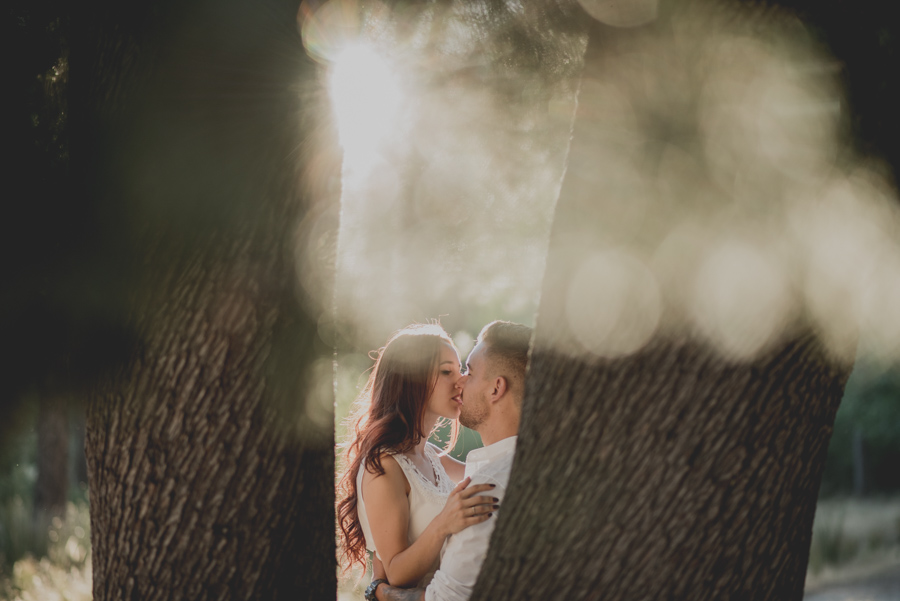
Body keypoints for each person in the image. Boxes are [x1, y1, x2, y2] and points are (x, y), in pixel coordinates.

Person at [370, 320, 532, 601]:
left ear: (496, 389)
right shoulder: (390, 463)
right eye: (449, 372)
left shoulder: (488, 487)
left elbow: (445, 599)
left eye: (467, 371)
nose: (460, 381)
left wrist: (380, 593)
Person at [337, 324, 499, 591]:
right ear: (411, 379)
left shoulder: (431, 454)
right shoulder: (385, 465)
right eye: (447, 371)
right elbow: (396, 573)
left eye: (461, 371)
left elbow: (488, 474)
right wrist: (443, 523)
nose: (460, 381)